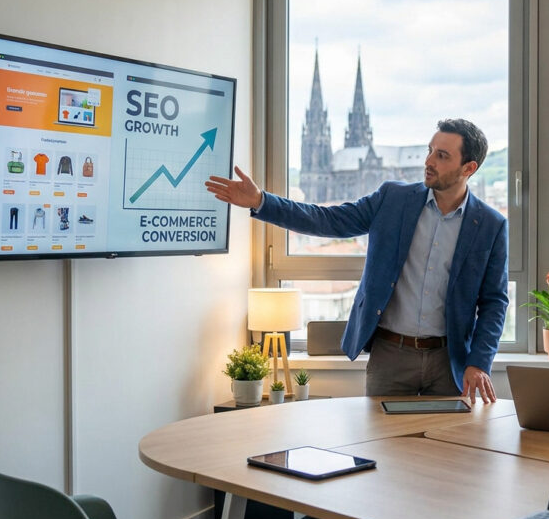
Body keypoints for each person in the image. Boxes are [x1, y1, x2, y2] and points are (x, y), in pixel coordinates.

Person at [205, 118, 507, 404]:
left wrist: (479, 362)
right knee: (382, 449)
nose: (428, 161)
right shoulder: (393, 199)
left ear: (469, 167)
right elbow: (329, 220)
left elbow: (494, 302)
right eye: (430, 151)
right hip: (391, 355)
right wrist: (262, 201)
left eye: (442, 156)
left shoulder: (491, 225)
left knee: (444, 452)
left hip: (449, 360)